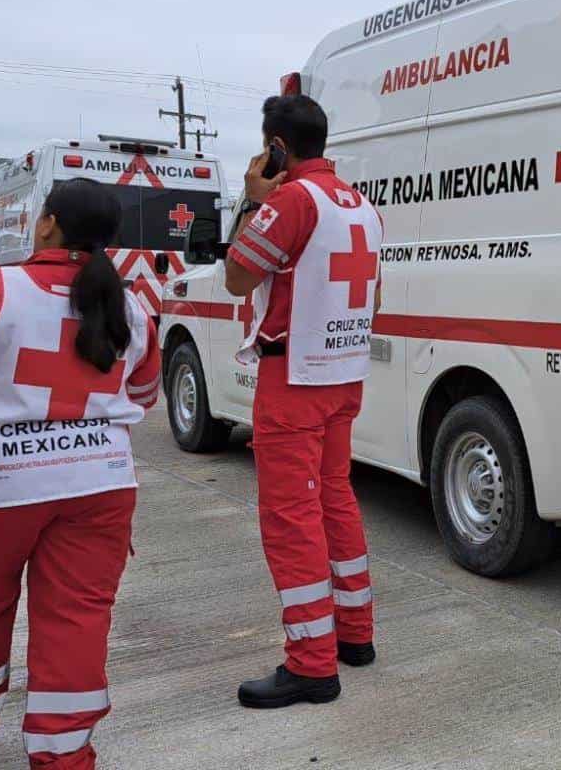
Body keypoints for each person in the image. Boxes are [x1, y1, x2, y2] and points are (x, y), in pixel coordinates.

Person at [0, 178, 161, 768]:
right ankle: (64, 752)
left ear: (46, 225)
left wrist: (3, 429)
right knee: (77, 618)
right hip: (99, 487)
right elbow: (140, 398)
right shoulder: (134, 306)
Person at [224, 94, 383, 709]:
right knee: (336, 497)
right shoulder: (361, 206)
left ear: (278, 147)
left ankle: (312, 664)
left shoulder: (291, 200)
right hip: (344, 373)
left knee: (290, 518)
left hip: (294, 376)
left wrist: (254, 198)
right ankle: (355, 635)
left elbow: (239, 275)